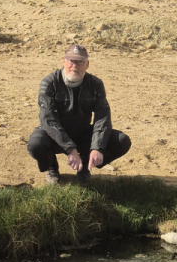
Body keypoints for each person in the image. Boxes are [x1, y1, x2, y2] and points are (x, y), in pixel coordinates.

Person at [27, 44, 132, 185]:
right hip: (54, 135)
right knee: (36, 144)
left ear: (87, 64)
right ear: (64, 62)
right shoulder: (50, 82)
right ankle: (51, 166)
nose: (75, 66)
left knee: (121, 141)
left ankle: (85, 164)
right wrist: (70, 148)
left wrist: (97, 147)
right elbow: (49, 120)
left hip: (82, 134)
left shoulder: (95, 84)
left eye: (80, 62)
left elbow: (103, 118)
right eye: (71, 61)